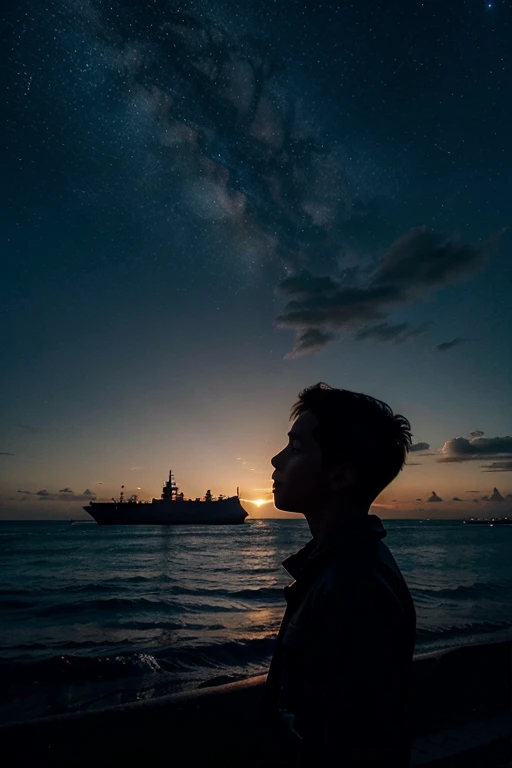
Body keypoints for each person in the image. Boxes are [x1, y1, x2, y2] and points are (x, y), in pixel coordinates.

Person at [260, 382, 417, 766]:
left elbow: (353, 744)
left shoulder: (353, 590)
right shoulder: (348, 565)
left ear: (340, 476)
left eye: (295, 448)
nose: (275, 460)